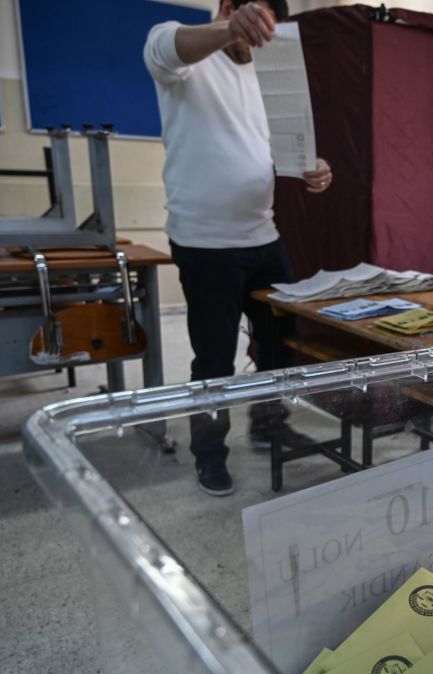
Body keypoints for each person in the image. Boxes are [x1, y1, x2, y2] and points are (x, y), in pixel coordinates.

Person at [144, 0, 333, 496]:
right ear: (229, 9)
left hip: (263, 236)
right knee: (214, 360)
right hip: (205, 242)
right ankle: (208, 453)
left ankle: (267, 424)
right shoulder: (181, 58)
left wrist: (312, 166)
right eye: (254, 26)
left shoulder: (262, 73)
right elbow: (166, 47)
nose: (258, 42)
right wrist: (229, 30)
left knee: (279, 344)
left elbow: (270, 146)